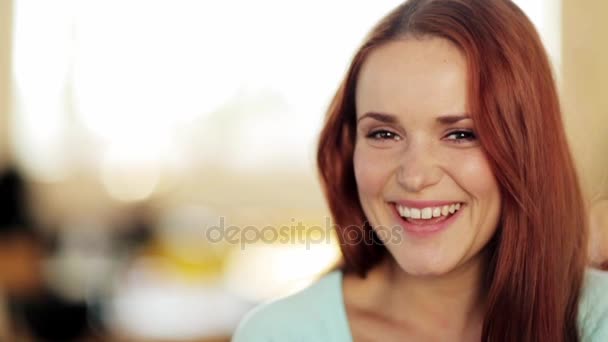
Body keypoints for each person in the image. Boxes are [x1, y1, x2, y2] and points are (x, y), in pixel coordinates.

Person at [232, 0, 608, 341]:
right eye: (383, 133)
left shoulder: (598, 319)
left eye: (461, 134)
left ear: (528, 148)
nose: (414, 176)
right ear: (348, 146)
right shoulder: (280, 333)